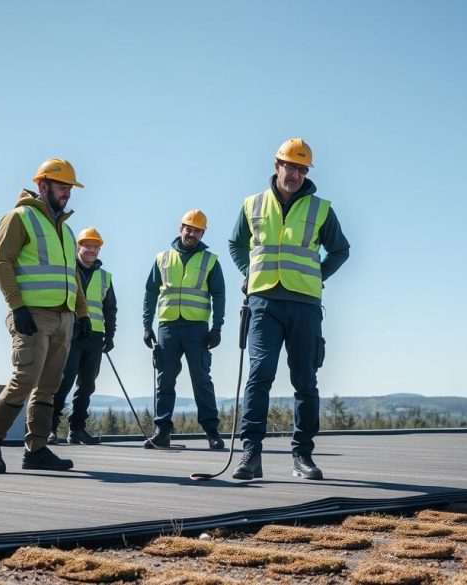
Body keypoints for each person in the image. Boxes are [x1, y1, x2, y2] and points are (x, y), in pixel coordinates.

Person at [228, 138, 350, 480]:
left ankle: (303, 456)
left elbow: (340, 250)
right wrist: (248, 273)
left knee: (305, 380)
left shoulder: (321, 208)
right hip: (263, 303)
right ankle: (251, 455)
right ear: (276, 165)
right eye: (289, 166)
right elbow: (236, 243)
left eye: (301, 168)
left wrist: (317, 276)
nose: (295, 174)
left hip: (304, 305)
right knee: (259, 375)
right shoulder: (252, 204)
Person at [0, 158, 92, 474]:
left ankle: (37, 450)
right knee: (24, 379)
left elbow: (72, 275)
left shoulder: (67, 232)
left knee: (49, 387)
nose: (67, 192)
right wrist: (17, 307)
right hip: (31, 316)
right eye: (62, 186)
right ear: (42, 186)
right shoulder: (19, 218)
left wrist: (81, 314)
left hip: (63, 318)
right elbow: (1, 263)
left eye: (70, 187)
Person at [142, 210, 226, 450]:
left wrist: (218, 326)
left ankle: (212, 432)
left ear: (203, 233)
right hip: (168, 327)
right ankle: (162, 431)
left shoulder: (210, 261)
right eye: (188, 228)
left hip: (197, 329)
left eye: (197, 230)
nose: (192, 233)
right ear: (180, 229)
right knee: (165, 378)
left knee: (201, 379)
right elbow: (150, 291)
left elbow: (219, 293)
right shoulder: (163, 258)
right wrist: (147, 325)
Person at [49, 227, 116, 445]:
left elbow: (110, 309)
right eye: (88, 245)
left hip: (95, 337)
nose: (92, 250)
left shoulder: (105, 277)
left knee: (87, 385)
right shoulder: (67, 270)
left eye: (96, 247)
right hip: (70, 333)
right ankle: (49, 428)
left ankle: (77, 429)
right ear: (79, 246)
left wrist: (110, 335)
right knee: (63, 382)